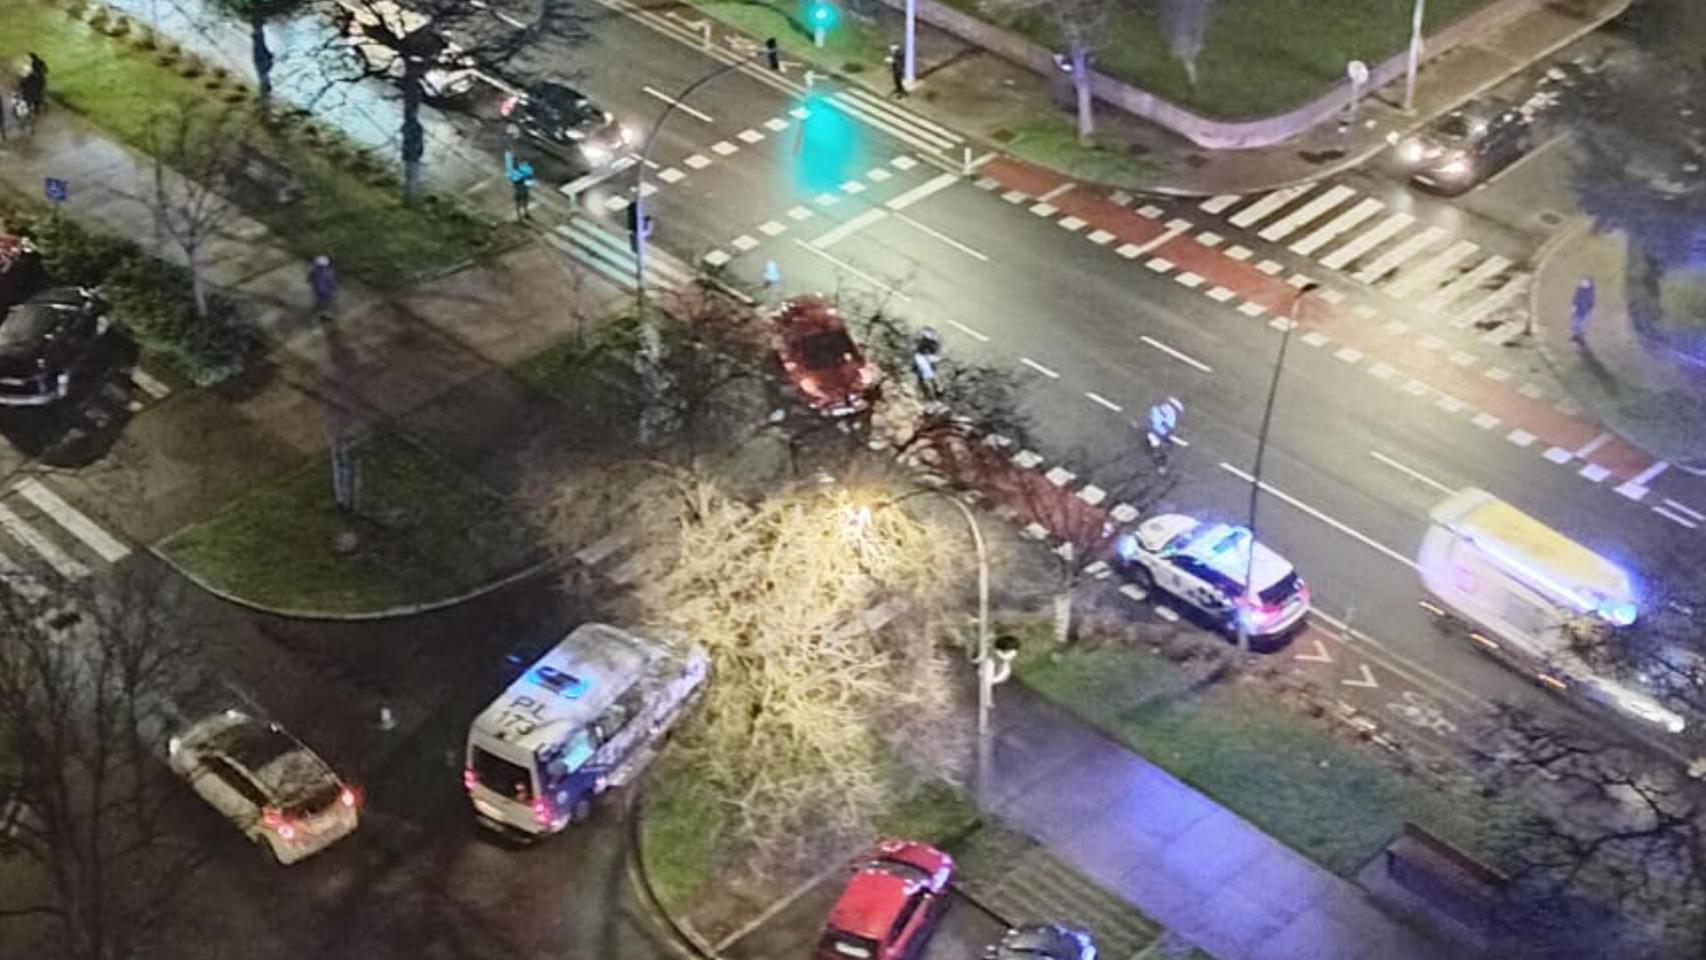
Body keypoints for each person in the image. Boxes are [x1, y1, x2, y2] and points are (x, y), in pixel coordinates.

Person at [1570, 277, 1596, 344]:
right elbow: (1575, 298)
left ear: (1589, 284)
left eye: (1584, 282)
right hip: (1577, 310)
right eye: (1581, 282)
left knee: (1581, 324)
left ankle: (1580, 336)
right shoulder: (1579, 290)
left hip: (1585, 312)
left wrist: (1589, 310)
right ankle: (1575, 335)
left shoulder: (1590, 292)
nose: (1581, 283)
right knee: (1574, 323)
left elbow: (1592, 302)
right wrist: (1573, 305)